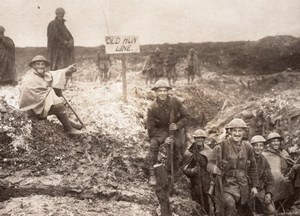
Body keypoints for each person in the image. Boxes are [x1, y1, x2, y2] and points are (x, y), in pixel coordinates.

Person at [19, 55, 83, 135]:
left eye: (42, 64)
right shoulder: (30, 78)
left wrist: (67, 69)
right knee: (58, 106)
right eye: (38, 64)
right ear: (33, 66)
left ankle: (71, 124)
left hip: (38, 104)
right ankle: (69, 129)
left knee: (56, 101)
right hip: (32, 109)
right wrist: (52, 91)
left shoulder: (40, 74)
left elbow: (53, 74)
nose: (41, 66)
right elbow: (35, 95)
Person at [208, 118, 259, 216]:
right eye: (234, 131)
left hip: (243, 186)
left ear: (243, 132)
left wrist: (254, 186)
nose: (237, 134)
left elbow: (253, 168)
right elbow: (210, 163)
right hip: (226, 185)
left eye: (240, 131)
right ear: (230, 132)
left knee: (246, 211)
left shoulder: (248, 147)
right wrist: (213, 168)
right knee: (230, 206)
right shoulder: (221, 146)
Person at [147, 80, 189, 185]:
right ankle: (152, 174)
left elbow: (186, 116)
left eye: (164, 90)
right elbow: (151, 129)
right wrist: (163, 138)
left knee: (177, 146)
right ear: (155, 93)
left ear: (167, 91)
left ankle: (175, 172)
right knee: (153, 145)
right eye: (159, 91)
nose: (162, 93)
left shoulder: (175, 101)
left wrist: (178, 125)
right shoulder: (152, 107)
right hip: (159, 131)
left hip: (174, 129)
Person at [182, 129, 213, 214]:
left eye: (201, 138)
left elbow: (213, 165)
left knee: (208, 203)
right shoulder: (189, 151)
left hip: (207, 181)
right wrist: (192, 171)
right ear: (194, 139)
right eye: (197, 138)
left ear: (204, 139)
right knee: (197, 204)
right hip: (195, 183)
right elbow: (184, 168)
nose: (199, 140)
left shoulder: (209, 151)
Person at [262, 132, 295, 203]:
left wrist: (289, 174)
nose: (276, 143)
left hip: (285, 177)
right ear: (269, 143)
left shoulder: (283, 153)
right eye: (273, 141)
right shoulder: (264, 154)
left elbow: (292, 165)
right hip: (270, 179)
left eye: (277, 141)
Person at [47, 7, 75, 86]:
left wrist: (70, 42)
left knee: (67, 65)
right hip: (57, 50)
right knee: (60, 66)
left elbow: (69, 36)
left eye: (62, 14)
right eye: (59, 13)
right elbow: (56, 36)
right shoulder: (53, 24)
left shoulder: (62, 25)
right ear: (56, 14)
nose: (61, 15)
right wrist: (65, 42)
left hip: (65, 50)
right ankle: (58, 83)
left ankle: (65, 82)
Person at [250, 135, 276, 215]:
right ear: (252, 147)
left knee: (271, 212)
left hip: (261, 190)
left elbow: (270, 179)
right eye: (256, 145)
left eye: (261, 145)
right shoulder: (247, 159)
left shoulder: (264, 160)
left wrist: (269, 193)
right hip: (248, 190)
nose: (258, 148)